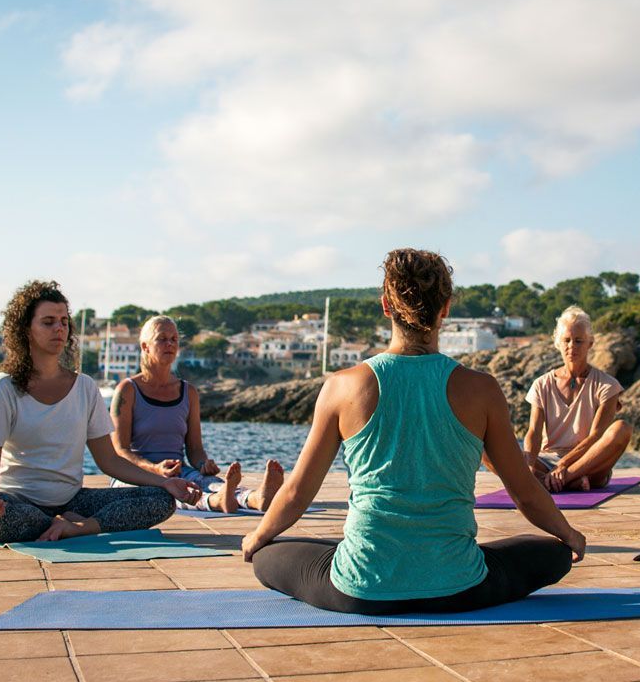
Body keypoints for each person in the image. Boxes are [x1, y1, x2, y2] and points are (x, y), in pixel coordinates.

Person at [242, 248, 586, 615]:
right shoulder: (481, 389)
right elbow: (525, 493)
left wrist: (257, 536)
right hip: (461, 588)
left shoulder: (342, 386)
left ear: (385, 305)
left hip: (362, 589)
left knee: (266, 556)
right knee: (555, 554)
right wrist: (569, 535)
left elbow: (298, 492)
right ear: (446, 308)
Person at [0, 281, 202, 543]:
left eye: (63, 322)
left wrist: (163, 482)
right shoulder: (4, 387)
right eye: (48, 322)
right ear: (26, 330)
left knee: (161, 500)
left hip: (73, 501)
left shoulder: (85, 387)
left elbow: (109, 460)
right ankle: (62, 525)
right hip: (19, 501)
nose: (59, 328)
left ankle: (79, 528)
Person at [110, 315, 284, 513]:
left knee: (211, 482)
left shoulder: (188, 392)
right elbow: (120, 451)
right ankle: (216, 502)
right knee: (165, 494)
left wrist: (203, 464)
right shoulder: (127, 390)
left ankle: (256, 498)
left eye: (174, 339)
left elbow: (195, 449)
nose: (169, 344)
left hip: (179, 471)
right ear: (145, 347)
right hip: (134, 475)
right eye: (162, 339)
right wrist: (155, 468)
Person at [522, 306, 633, 493]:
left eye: (578, 341)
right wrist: (528, 466)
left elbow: (596, 436)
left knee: (622, 428)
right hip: (546, 461)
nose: (571, 346)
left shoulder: (607, 385)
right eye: (566, 340)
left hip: (589, 462)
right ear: (558, 343)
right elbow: (533, 432)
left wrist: (563, 465)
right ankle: (565, 481)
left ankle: (558, 479)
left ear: (590, 343)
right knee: (487, 449)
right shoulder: (541, 384)